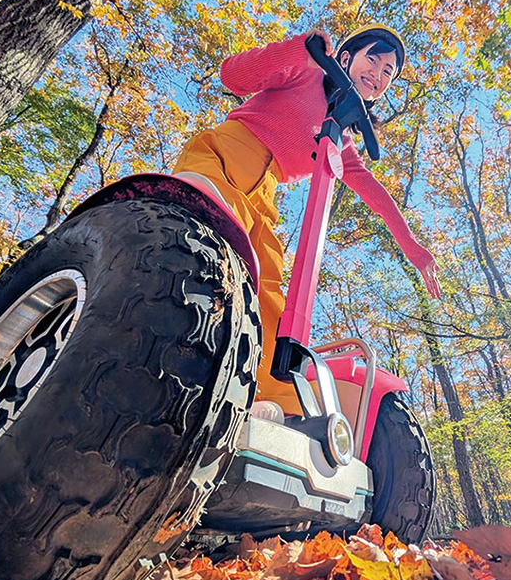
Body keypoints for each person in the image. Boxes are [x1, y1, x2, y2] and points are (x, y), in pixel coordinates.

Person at [172, 24, 439, 417]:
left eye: (388, 73)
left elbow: (378, 197)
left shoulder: (340, 142)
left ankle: (270, 402)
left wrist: (415, 251)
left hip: (263, 195)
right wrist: (298, 51)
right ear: (345, 58)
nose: (379, 75)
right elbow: (233, 76)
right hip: (224, 157)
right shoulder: (308, 71)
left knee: (268, 294)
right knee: (206, 230)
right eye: (374, 60)